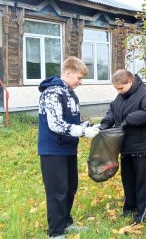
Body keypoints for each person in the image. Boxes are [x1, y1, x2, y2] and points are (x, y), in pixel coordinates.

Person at [38, 56, 99, 239]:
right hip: (52, 150)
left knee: (70, 188)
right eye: (79, 78)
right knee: (57, 191)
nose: (80, 82)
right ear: (68, 72)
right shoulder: (52, 92)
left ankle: (65, 223)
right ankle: (55, 233)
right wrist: (82, 132)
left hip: (68, 149)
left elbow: (69, 120)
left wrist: (87, 126)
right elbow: (55, 124)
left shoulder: (70, 92)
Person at [99, 69, 146, 224]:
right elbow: (113, 110)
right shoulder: (121, 96)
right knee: (128, 180)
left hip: (144, 146)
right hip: (126, 145)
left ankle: (142, 212)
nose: (118, 92)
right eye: (116, 89)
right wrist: (105, 124)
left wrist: (128, 120)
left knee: (143, 180)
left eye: (121, 88)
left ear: (130, 82)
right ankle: (129, 208)